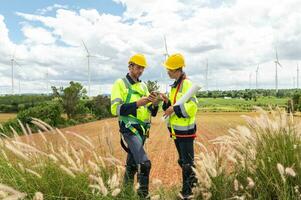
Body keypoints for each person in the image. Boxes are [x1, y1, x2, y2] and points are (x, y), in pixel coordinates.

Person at [110, 53, 159, 199]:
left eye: (142, 68)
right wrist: (138, 103)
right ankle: (143, 197)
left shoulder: (143, 86)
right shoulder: (120, 84)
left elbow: (151, 112)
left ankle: (125, 195)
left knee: (131, 167)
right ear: (130, 66)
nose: (141, 71)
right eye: (138, 67)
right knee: (145, 164)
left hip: (142, 130)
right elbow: (115, 109)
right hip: (129, 129)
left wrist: (155, 103)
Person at [160, 53, 198, 200]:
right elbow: (172, 105)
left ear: (177, 70)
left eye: (169, 69)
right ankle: (195, 185)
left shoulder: (187, 84)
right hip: (176, 131)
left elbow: (193, 107)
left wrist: (173, 109)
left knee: (187, 163)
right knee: (183, 161)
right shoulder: (175, 86)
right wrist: (166, 102)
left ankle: (187, 193)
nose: (167, 71)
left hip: (186, 131)